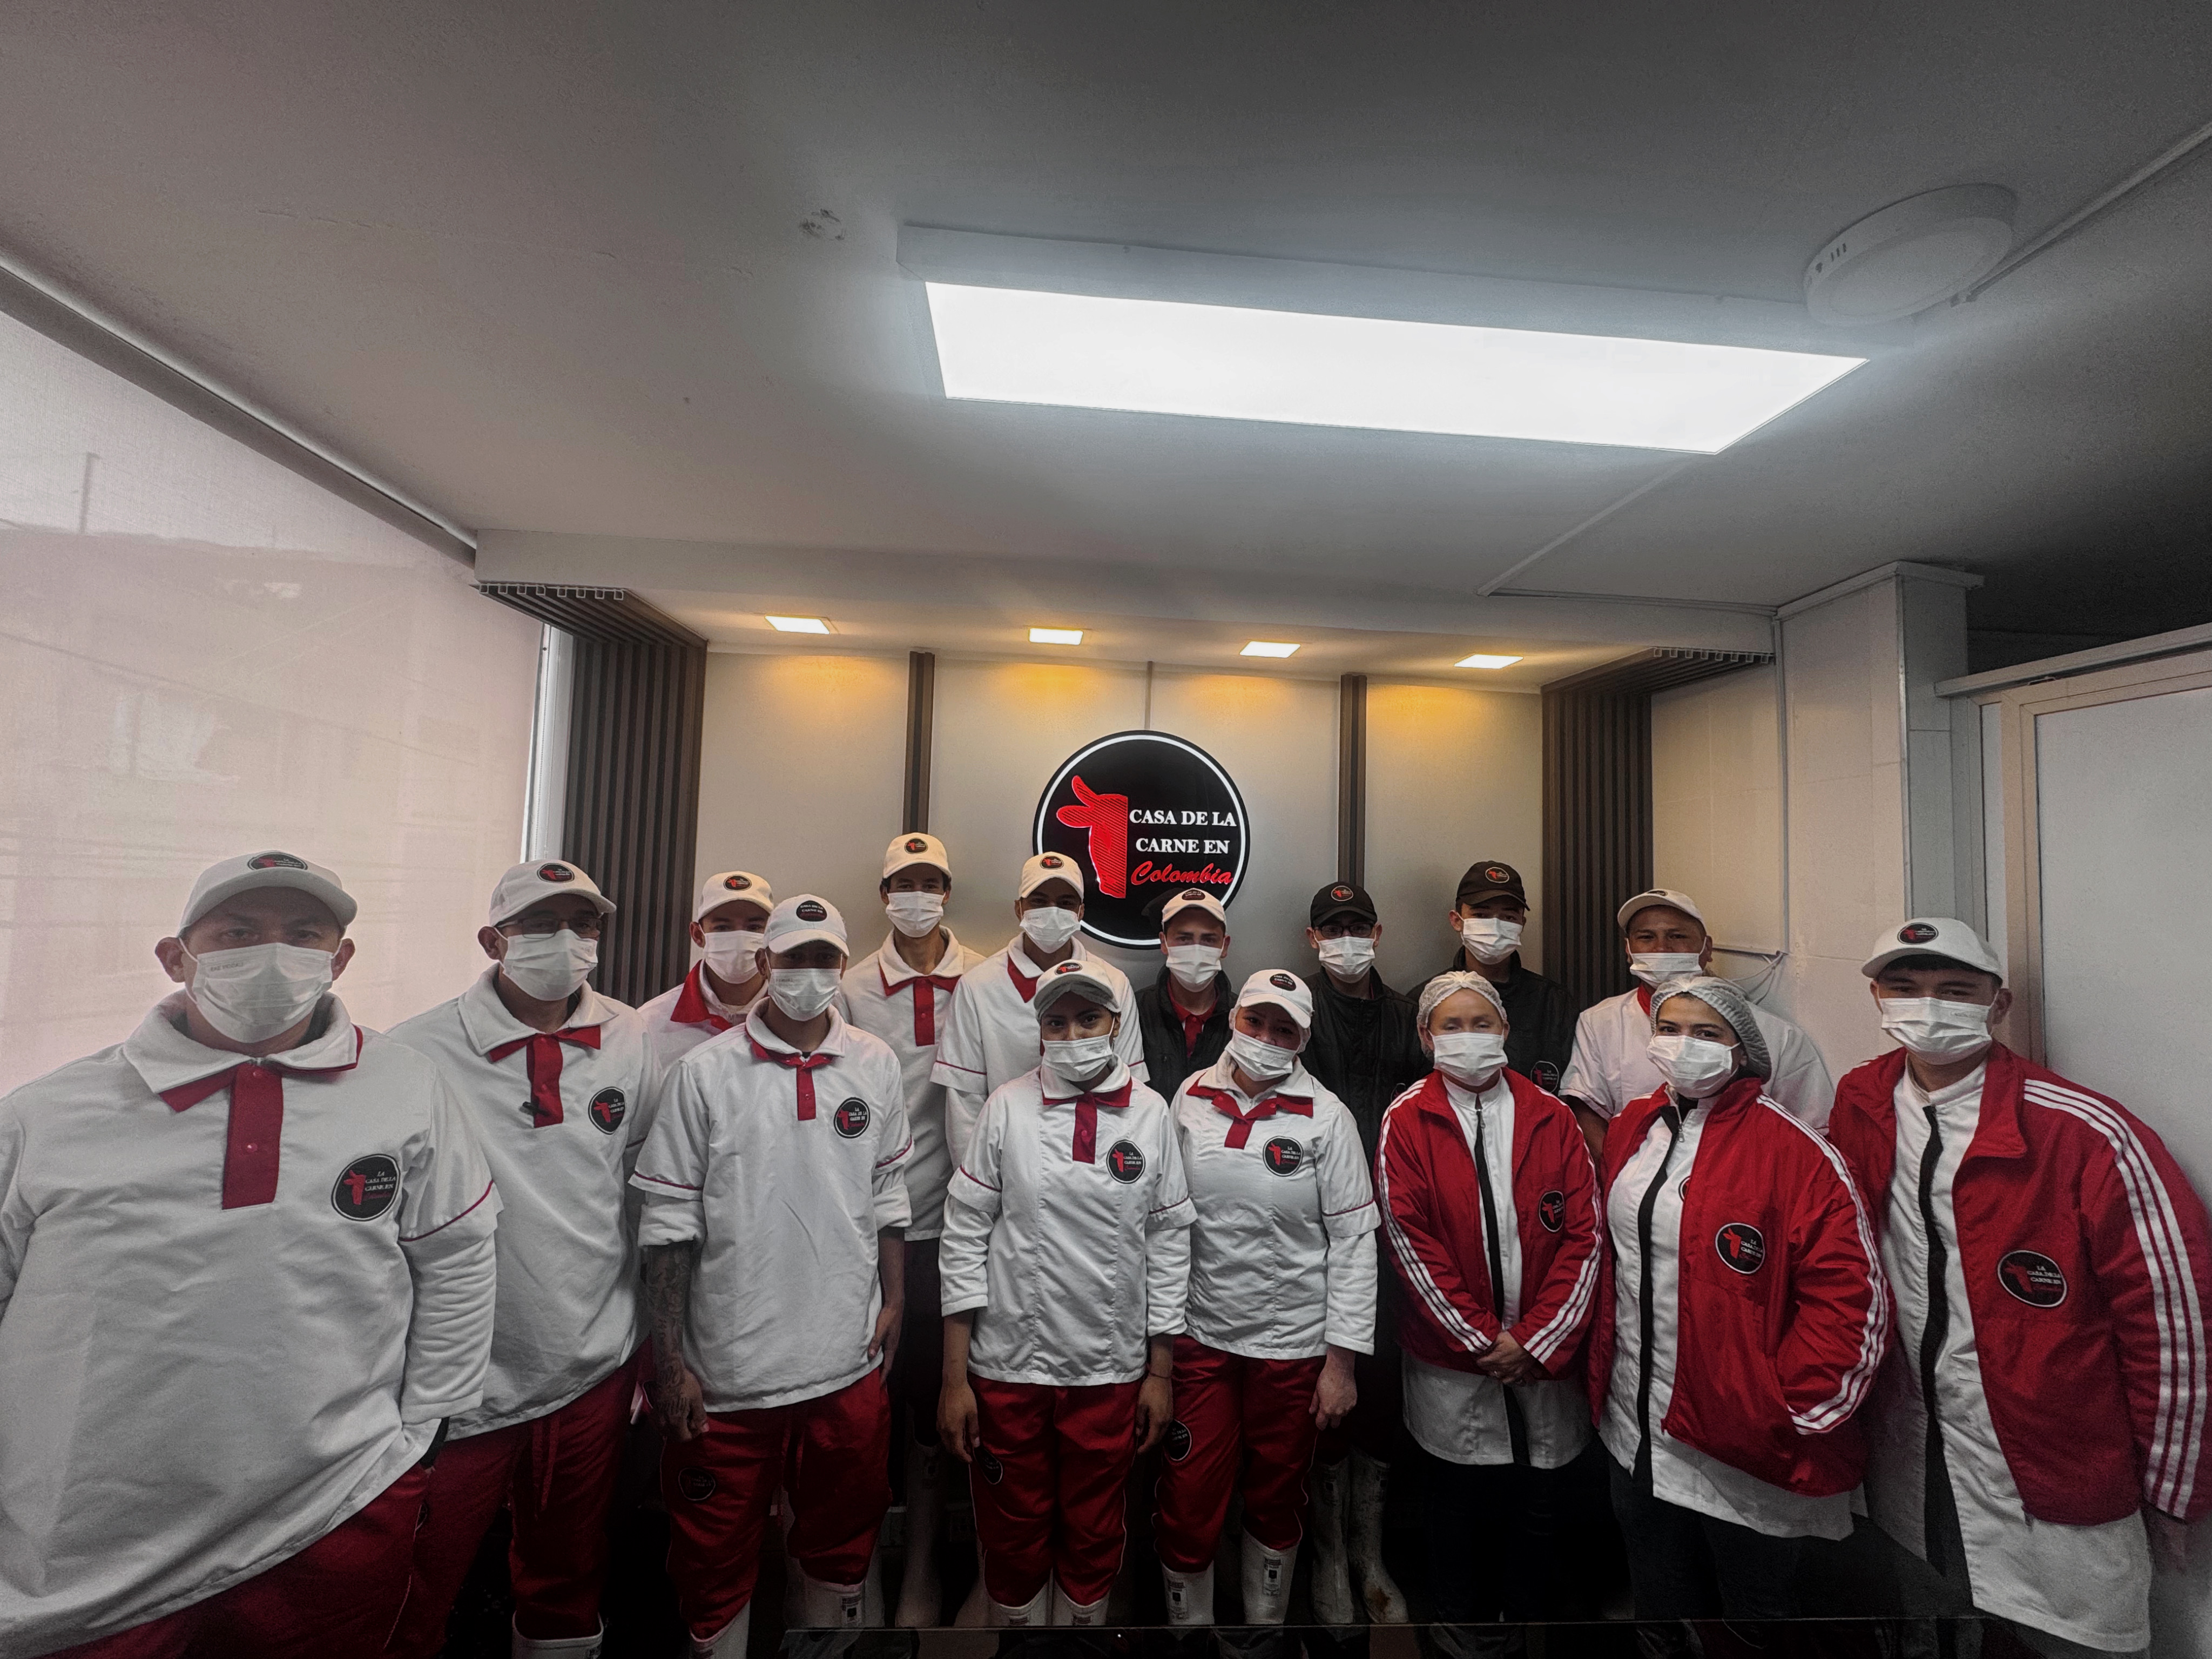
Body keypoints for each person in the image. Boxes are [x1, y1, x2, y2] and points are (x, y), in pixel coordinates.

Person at [0, 851, 498, 1658]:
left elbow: (458, 1257)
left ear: (339, 960)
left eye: (303, 935)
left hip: (333, 1506)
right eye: (237, 933)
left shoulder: (409, 1086)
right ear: (176, 958)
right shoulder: (44, 1117)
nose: (273, 954)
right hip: (88, 1549)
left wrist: (423, 1432)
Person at [1826, 919, 2211, 1657]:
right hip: (1906, 1451)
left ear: (1998, 1005)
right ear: (1877, 998)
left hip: (2053, 1468)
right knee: (1929, 1624)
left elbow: (2174, 1322)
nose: (1928, 1007)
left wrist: (2174, 1489)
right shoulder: (1861, 1099)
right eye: (1905, 988)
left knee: (2074, 1641)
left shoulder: (2085, 1134)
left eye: (1956, 990)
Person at [631, 894, 912, 1659]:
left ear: (843, 965)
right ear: (765, 962)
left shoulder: (876, 1063)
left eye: (824, 959)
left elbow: (888, 1194)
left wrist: (896, 1298)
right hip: (729, 1377)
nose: (809, 973)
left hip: (845, 1362)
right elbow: (667, 1227)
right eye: (793, 958)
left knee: (840, 1548)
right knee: (712, 1563)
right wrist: (670, 1362)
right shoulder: (702, 1073)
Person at [385, 859, 650, 1659]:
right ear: (493, 940)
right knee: (415, 1585)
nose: (566, 940)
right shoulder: (415, 1053)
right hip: (461, 1384)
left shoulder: (631, 1035)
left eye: (583, 923)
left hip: (593, 1361)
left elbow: (639, 1187)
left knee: (569, 1575)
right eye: (540, 923)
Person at [1588, 975, 1888, 1627]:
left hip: (1741, 1438)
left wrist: (1783, 1411)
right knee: (1659, 1592)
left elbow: (1850, 1300)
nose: (1683, 1045)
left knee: (1754, 1607)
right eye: (1669, 1030)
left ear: (1742, 1050)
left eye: (1706, 1033)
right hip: (1632, 1419)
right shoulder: (1635, 1126)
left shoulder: (1795, 1152)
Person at [937, 959, 1195, 1627]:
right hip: (1007, 1369)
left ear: (1115, 1024)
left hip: (1108, 1370)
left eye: (1088, 1019)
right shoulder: (1005, 1106)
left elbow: (1168, 1245)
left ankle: (1081, 1637)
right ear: (1039, 1030)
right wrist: (954, 1378)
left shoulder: (1150, 1113)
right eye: (1056, 1022)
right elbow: (963, 1237)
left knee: (1095, 1533)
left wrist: (1159, 1371)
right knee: (1012, 1535)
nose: (1072, 1034)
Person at [1154, 970, 1380, 1627]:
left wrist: (1341, 1364)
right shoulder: (1189, 1095)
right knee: (1188, 1494)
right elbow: (1166, 1221)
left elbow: (1354, 1243)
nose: (1266, 1038)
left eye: (1284, 1030)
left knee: (1277, 1494)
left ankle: (1264, 1631)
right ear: (1234, 1019)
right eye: (1255, 1021)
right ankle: (1188, 1635)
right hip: (1201, 1336)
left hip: (1292, 1347)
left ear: (1303, 1039)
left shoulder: (1328, 1117)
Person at [1374, 970, 1601, 1623]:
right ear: (1426, 1037)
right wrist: (1483, 1340)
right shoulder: (1405, 1120)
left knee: (1539, 1499)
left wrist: (1533, 1340)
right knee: (1458, 1499)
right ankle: (1462, 1623)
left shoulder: (1552, 1116)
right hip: (1453, 1358)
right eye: (1451, 1025)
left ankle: (1525, 1617)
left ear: (1505, 1029)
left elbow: (1585, 1236)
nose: (1468, 1036)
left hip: (1542, 1352)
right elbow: (1409, 1242)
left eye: (1481, 1023)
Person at [838, 832, 984, 1628]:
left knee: (940, 1406)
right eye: (904, 882)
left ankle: (924, 1568)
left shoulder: (987, 978)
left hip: (960, 1225)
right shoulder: (849, 985)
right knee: (867, 1406)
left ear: (948, 893)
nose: (917, 896)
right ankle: (857, 1571)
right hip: (872, 1232)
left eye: (931, 882)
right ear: (884, 894)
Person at [1297, 880, 1428, 1623]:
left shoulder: (1410, 1016)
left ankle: (1367, 1551)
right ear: (1313, 939)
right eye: (1331, 928)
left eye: (1357, 926)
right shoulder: (1295, 1012)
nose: (1346, 939)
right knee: (1320, 1394)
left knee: (1379, 1389)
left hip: (1395, 1233)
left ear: (1377, 934)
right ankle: (1325, 1557)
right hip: (1305, 1231)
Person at [1561, 888, 1833, 1150]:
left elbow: (1811, 1132)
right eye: (1646, 937)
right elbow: (1587, 1110)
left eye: (1677, 936)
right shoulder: (1599, 1022)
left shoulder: (1780, 1036)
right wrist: (1618, 1173)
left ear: (1707, 948)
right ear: (1629, 949)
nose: (1661, 949)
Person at [932, 852, 1145, 1167]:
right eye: (1039, 901)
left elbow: (1130, 1088)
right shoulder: (978, 986)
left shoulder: (1115, 983)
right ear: (1019, 908)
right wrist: (979, 1180)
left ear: (1081, 911)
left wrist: (1115, 1176)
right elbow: (965, 1102)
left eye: (1065, 902)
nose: (1052, 911)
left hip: (1098, 1160)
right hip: (1009, 1159)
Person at [1435, 860, 1575, 1094]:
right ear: (1457, 920)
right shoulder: (1430, 1000)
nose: (1496, 927)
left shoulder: (1554, 1003)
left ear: (1522, 924)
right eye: (1481, 915)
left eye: (1508, 917)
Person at [636, 869, 774, 1092]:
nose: (740, 938)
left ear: (773, 934)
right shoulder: (648, 1024)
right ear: (698, 935)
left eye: (754, 927)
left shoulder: (798, 1021)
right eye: (723, 927)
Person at [1135, 887, 1235, 1096]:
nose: (1196, 949)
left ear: (1224, 946)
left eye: (1208, 940)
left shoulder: (1245, 1019)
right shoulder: (1135, 1011)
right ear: (1164, 942)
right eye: (1184, 939)